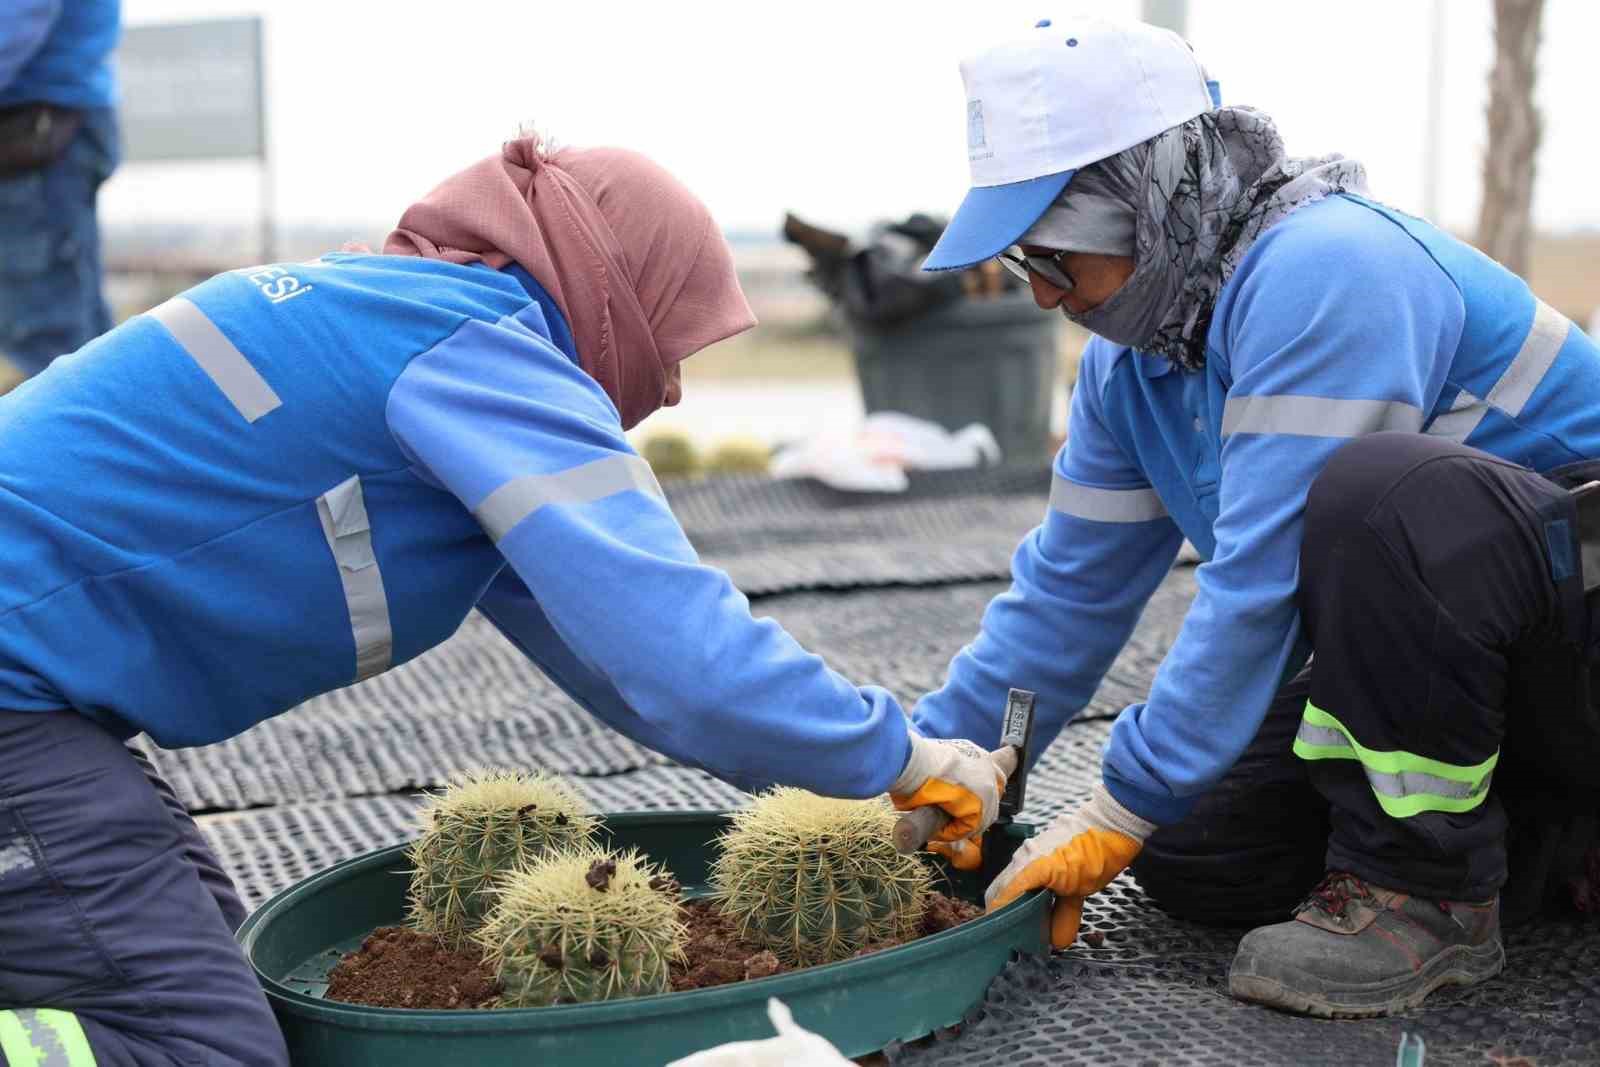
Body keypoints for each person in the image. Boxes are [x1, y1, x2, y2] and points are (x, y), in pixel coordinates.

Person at [0, 135, 1010, 1065]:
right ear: (617, 295)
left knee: (207, 972)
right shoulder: (479, 350)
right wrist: (909, 755)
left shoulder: (396, 314)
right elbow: (686, 662)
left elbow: (628, 666)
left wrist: (863, 770)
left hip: (41, 706)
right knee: (200, 1047)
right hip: (14, 701)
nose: (668, 389)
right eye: (673, 340)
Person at [913, 14, 1600, 1019]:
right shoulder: (1133, 358)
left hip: (1578, 642)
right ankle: (1556, 841)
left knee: (1379, 500)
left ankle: (1426, 893)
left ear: (1148, 205)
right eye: (1027, 261)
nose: (1046, 296)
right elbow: (1068, 592)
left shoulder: (1330, 271)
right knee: (1199, 844)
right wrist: (944, 766)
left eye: (1058, 256)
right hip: (1489, 677)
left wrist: (1117, 799)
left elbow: (1262, 579)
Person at [0, 0, 121, 379]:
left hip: (34, 131)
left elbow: (18, 17)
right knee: (74, 340)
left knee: (48, 334)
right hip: (40, 129)